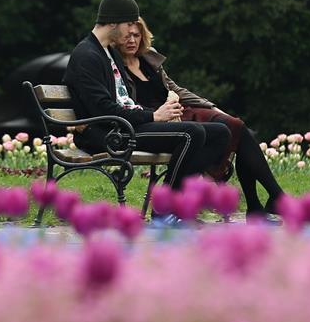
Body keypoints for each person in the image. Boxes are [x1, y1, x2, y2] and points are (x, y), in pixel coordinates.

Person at [114, 15, 286, 219]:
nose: (132, 40)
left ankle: (265, 202)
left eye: (137, 35)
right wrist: (158, 113)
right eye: (127, 36)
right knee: (238, 131)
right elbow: (125, 104)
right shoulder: (114, 67)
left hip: (181, 110)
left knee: (237, 127)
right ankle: (262, 204)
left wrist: (212, 107)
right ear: (116, 37)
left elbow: (175, 89)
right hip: (158, 120)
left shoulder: (148, 59)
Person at [63, 0, 231, 194]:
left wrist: (161, 113)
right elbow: (102, 109)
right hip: (108, 134)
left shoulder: (108, 53)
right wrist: (153, 115)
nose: (133, 30)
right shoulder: (86, 55)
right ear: (113, 23)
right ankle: (165, 207)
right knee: (191, 133)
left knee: (221, 133)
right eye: (129, 24)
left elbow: (124, 101)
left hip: (126, 127)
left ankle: (177, 200)